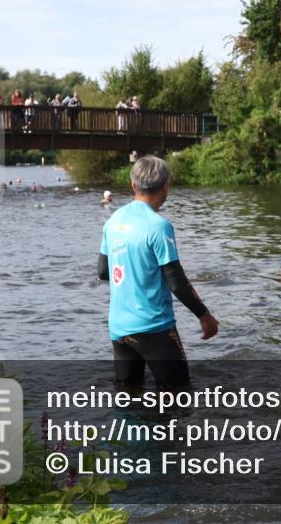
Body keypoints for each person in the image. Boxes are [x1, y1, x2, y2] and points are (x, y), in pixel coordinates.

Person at [97, 156, 219, 391]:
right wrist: (205, 316)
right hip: (154, 328)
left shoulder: (112, 222)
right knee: (179, 399)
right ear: (166, 186)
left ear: (134, 185)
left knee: (129, 398)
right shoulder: (158, 226)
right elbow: (176, 281)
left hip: (119, 328)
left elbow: (103, 272)